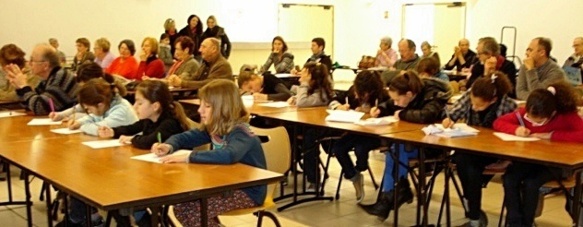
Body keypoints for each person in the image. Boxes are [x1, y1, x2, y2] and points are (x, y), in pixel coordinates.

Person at [151, 79, 267, 227]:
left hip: (248, 191)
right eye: (201, 104)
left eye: (207, 106)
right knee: (181, 209)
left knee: (195, 212)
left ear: (223, 108)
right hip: (225, 186)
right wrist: (168, 145)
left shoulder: (241, 132)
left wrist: (189, 157)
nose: (200, 110)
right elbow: (184, 137)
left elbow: (229, 155)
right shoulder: (215, 128)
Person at [360, 71, 452, 220]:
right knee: (396, 150)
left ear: (409, 94)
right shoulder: (404, 95)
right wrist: (380, 109)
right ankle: (394, 194)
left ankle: (392, 196)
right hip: (410, 144)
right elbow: (390, 104)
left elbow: (426, 115)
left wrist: (403, 114)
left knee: (397, 150)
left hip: (432, 146)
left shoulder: (433, 95)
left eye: (397, 100)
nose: (395, 103)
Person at [493, 81, 583, 227]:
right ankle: (515, 222)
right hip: (531, 160)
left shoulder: (566, 116)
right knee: (510, 178)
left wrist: (553, 135)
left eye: (539, 121)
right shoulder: (527, 112)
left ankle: (526, 223)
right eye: (530, 118)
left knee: (531, 183)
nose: (534, 123)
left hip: (556, 163)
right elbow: (499, 122)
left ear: (552, 114)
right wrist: (516, 130)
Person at [442, 72, 517, 227]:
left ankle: (473, 214)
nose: (475, 108)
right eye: (473, 104)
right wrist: (448, 120)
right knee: (462, 160)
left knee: (471, 168)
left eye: (480, 105)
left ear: (493, 100)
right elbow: (454, 113)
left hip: (494, 151)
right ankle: (474, 213)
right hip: (470, 145)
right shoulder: (472, 93)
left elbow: (511, 133)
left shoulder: (508, 105)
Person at [329, 70, 389, 202]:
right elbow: (334, 99)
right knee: (338, 148)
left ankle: (360, 168)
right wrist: (339, 106)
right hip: (356, 130)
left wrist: (378, 111)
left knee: (360, 148)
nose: (364, 96)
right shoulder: (353, 91)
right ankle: (354, 176)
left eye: (367, 93)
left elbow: (391, 109)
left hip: (375, 134)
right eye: (361, 93)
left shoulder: (383, 95)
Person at [5, 44, 77, 115]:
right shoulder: (47, 79)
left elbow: (40, 108)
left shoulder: (61, 77)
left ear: (45, 65)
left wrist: (24, 86)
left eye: (32, 60)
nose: (29, 63)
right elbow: (28, 105)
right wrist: (19, 88)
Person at [68, 75, 138, 135]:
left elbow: (100, 129)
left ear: (100, 105)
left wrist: (82, 126)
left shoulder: (121, 111)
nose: (89, 111)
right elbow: (94, 117)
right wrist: (79, 122)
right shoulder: (107, 105)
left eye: (89, 109)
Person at [168, 38, 233, 89]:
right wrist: (177, 79)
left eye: (203, 47)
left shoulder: (222, 65)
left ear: (214, 49)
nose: (200, 50)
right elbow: (194, 78)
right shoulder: (205, 63)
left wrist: (182, 83)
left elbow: (208, 84)